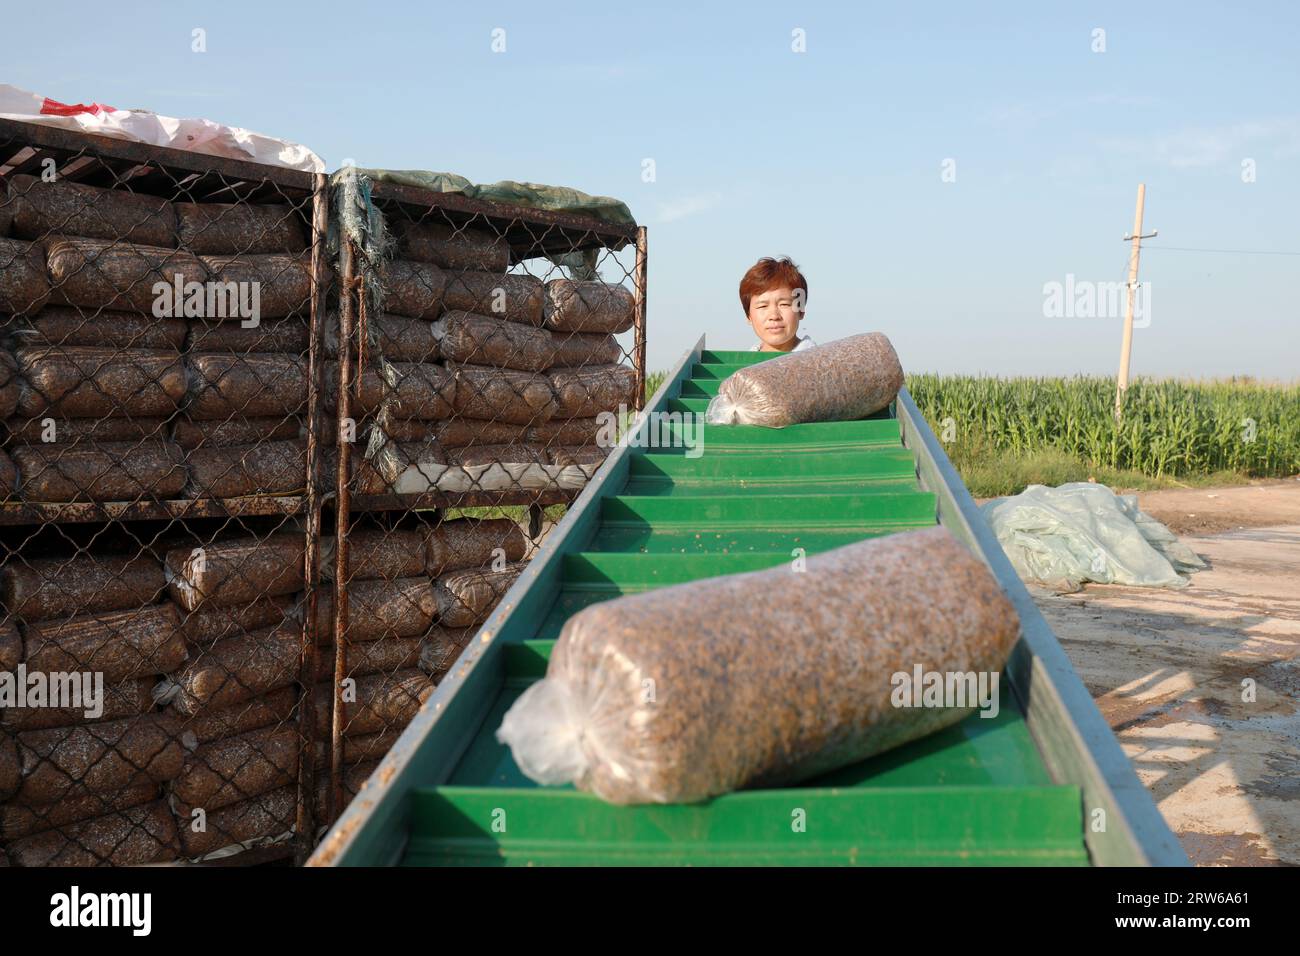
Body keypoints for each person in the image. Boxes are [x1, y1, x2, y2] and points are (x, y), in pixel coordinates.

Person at [739, 256, 817, 353]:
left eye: (784, 304)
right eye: (763, 306)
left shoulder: (821, 362)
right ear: (748, 316)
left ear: (800, 310)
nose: (774, 316)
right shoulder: (744, 365)